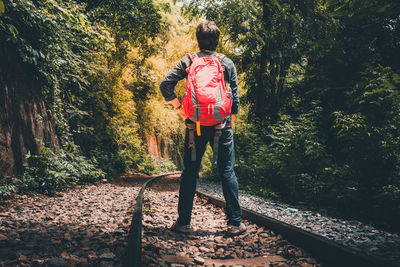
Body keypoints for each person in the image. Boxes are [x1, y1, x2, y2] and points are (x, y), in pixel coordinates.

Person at [159, 21, 245, 235]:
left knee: (190, 172)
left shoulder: (189, 60)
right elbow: (234, 99)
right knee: (227, 170)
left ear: (197, 41)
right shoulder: (227, 63)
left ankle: (184, 223)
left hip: (193, 126)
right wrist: (228, 124)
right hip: (221, 125)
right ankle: (235, 224)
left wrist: (180, 108)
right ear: (217, 41)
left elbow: (165, 84)